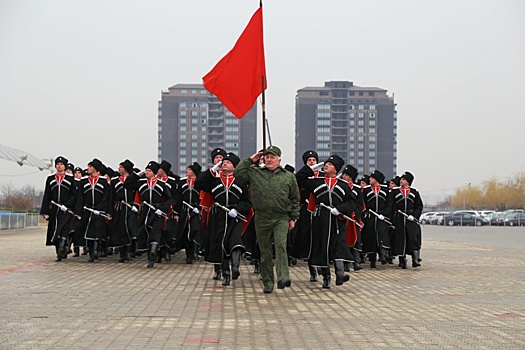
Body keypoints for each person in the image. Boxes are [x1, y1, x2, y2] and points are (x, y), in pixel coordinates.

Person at [234, 146, 300, 294]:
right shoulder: (255, 173)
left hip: (281, 217)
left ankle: (283, 277)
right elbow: (238, 173)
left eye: (272, 157)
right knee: (265, 251)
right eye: (267, 157)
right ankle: (268, 282)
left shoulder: (288, 176)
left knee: (281, 245)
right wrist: (251, 159)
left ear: (279, 160)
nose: (269, 160)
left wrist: (293, 217)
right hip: (262, 217)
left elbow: (295, 199)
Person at [296, 155, 354, 289]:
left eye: (330, 164)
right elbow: (298, 179)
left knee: (339, 245)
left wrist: (340, 209)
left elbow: (351, 202)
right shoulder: (316, 182)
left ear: (336, 169)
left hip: (337, 219)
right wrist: (310, 168)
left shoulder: (343, 185)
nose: (326, 165)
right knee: (323, 246)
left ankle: (340, 273)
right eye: (326, 163)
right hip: (320, 218)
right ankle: (326, 276)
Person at [196, 153, 251, 286]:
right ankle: (226, 273)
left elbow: (247, 201)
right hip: (218, 215)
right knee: (220, 244)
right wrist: (212, 170)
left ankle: (236, 266)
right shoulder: (214, 180)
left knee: (235, 240)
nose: (224, 163)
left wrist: (237, 209)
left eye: (228, 162)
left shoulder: (240, 182)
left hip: (234, 216)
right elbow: (199, 183)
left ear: (234, 167)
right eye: (223, 162)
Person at [124, 161, 172, 268]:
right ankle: (149, 254)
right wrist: (138, 174)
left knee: (156, 230)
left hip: (156, 210)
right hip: (145, 211)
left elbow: (169, 199)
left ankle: (154, 250)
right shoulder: (141, 183)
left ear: (154, 172)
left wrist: (162, 209)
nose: (147, 172)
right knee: (145, 231)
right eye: (146, 170)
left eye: (149, 171)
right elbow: (127, 184)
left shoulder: (161, 184)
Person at [290, 150, 324, 282]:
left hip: (321, 210)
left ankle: (321, 265)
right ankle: (312, 270)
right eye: (309, 160)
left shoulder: (322, 175)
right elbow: (297, 182)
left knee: (320, 239)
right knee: (309, 239)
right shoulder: (304, 176)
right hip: (307, 211)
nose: (312, 162)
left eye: (313, 160)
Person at [40, 156, 78, 261]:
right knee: (55, 230)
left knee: (64, 228)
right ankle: (59, 252)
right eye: (57, 164)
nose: (59, 166)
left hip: (66, 209)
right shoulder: (50, 179)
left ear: (65, 166)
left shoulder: (70, 179)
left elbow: (74, 195)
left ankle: (63, 247)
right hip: (54, 209)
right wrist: (45, 211)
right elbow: (47, 195)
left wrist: (68, 205)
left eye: (61, 164)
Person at [76, 158, 111, 262]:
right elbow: (80, 197)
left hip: (99, 211)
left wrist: (102, 209)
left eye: (91, 167)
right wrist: (79, 211)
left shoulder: (103, 181)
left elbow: (106, 197)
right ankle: (91, 252)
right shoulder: (84, 181)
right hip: (87, 210)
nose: (88, 168)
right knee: (88, 232)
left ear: (96, 169)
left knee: (98, 231)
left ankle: (98, 249)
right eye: (88, 166)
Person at [388, 171, 423, 268]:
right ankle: (402, 260)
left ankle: (415, 259)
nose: (401, 181)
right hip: (399, 218)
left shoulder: (414, 192)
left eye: (403, 179)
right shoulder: (394, 192)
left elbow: (419, 206)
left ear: (408, 181)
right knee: (400, 240)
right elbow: (391, 206)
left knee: (412, 239)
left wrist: (415, 216)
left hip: (410, 219)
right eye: (401, 179)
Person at [109, 159, 139, 263]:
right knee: (120, 230)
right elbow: (111, 196)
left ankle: (130, 252)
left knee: (130, 229)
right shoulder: (115, 181)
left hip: (130, 207)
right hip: (120, 207)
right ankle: (122, 254)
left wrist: (136, 206)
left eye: (121, 167)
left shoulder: (133, 180)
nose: (119, 169)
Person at [361, 170, 392, 268]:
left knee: (382, 235)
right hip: (370, 216)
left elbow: (389, 204)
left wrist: (384, 214)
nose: (370, 179)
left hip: (381, 217)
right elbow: (363, 203)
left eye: (372, 178)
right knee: (371, 237)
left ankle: (383, 255)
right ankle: (372, 259)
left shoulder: (385, 190)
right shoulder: (366, 190)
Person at [175, 162, 202, 264]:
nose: (187, 171)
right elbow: (178, 198)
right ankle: (188, 254)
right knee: (185, 231)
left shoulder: (199, 183)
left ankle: (195, 249)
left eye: (190, 170)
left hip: (196, 210)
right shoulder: (183, 183)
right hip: (184, 210)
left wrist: (198, 208)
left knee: (195, 229)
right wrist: (177, 212)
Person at [340, 164, 364, 272]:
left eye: (346, 175)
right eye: (343, 174)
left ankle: (356, 261)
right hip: (344, 217)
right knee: (344, 240)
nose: (343, 176)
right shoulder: (340, 186)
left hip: (354, 219)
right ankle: (346, 263)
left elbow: (360, 205)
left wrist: (356, 215)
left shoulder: (357, 189)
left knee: (356, 239)